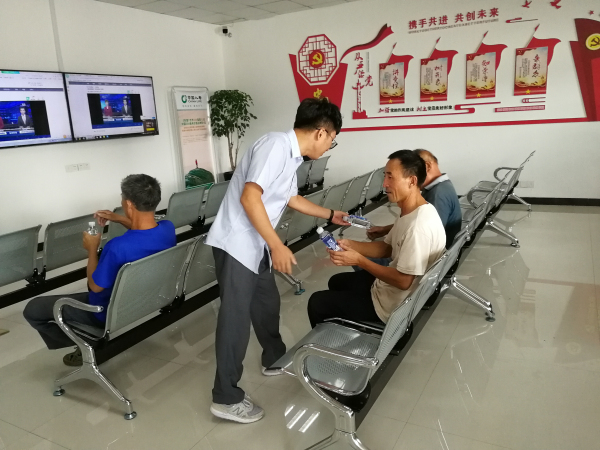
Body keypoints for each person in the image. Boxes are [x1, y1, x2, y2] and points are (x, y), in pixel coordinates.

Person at [206, 97, 346, 424]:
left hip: (256, 245)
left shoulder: (291, 155)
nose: (330, 145)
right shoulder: (274, 146)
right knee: (235, 320)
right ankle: (225, 397)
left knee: (267, 303)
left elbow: (290, 198)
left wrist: (330, 214)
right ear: (322, 133)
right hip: (237, 244)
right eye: (332, 139)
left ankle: (274, 357)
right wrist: (276, 245)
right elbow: (249, 196)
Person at [23, 174, 176, 366]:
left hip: (105, 312)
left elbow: (95, 286)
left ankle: (87, 345)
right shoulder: (168, 228)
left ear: (129, 204)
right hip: (146, 300)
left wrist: (92, 249)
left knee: (33, 309)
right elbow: (144, 230)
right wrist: (119, 219)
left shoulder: (117, 246)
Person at [307, 150, 446, 328]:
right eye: (384, 176)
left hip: (392, 305)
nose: (384, 184)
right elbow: (387, 248)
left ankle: (337, 338)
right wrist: (351, 245)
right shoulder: (417, 210)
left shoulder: (417, 227)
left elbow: (403, 282)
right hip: (391, 290)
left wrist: (360, 260)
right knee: (336, 281)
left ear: (411, 181)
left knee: (317, 302)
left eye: (390, 177)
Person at [368, 149, 462, 250]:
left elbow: (422, 232)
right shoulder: (442, 186)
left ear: (426, 166)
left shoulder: (438, 194)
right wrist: (385, 229)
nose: (385, 184)